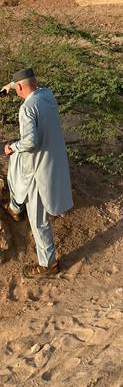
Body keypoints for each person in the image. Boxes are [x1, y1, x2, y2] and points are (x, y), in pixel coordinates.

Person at [1, 68, 73, 277]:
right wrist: (11, 85)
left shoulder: (27, 109)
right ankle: (15, 207)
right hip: (51, 161)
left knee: (38, 219)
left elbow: (30, 142)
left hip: (38, 170)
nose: (16, 92)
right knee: (15, 169)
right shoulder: (46, 96)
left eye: (17, 89)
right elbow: (31, 86)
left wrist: (12, 147)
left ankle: (48, 264)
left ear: (22, 87)